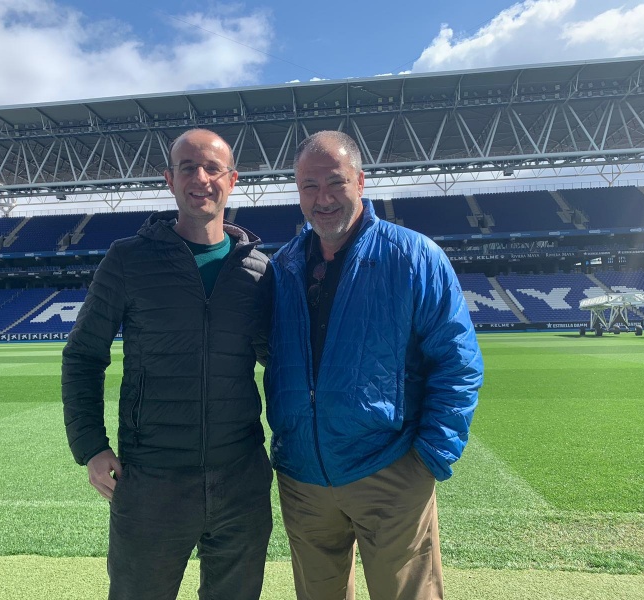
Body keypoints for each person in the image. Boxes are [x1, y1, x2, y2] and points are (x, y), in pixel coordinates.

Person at [264, 130, 484, 600]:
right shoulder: (281, 268)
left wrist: (429, 457)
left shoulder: (414, 256)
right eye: (309, 186)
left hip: (390, 469)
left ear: (360, 182)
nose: (322, 198)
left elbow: (457, 361)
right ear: (297, 191)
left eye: (334, 182)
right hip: (303, 477)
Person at [61, 128, 273, 600]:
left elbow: (281, 365)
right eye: (187, 167)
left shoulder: (258, 270)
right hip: (151, 482)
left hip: (242, 480)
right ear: (169, 179)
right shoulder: (128, 260)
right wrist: (91, 447)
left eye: (212, 168)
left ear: (232, 179)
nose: (201, 178)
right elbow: (83, 355)